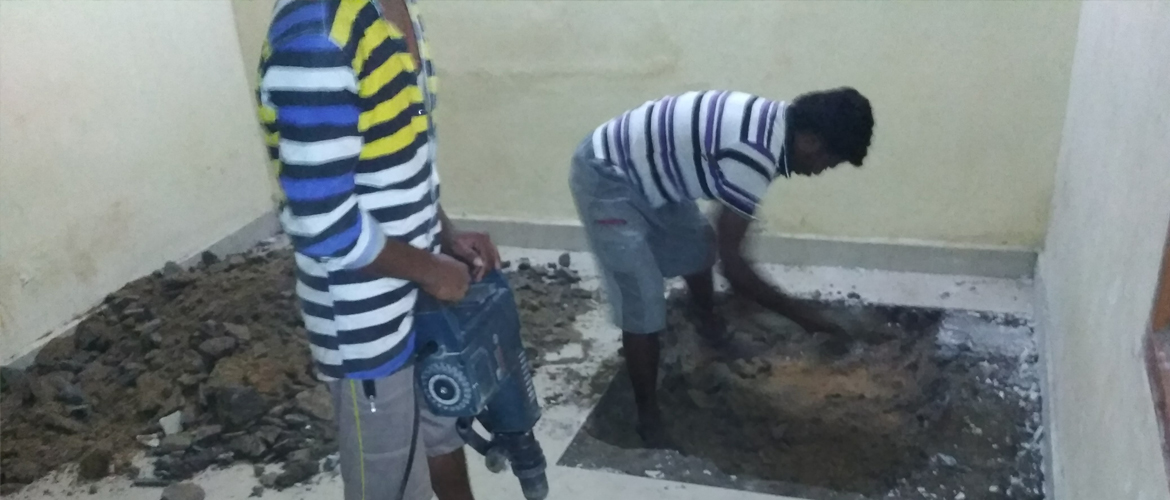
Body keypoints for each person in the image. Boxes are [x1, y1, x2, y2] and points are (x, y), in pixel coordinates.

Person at [256, 1, 499, 499]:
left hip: (418, 300)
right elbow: (322, 220)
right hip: (365, 328)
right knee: (390, 482)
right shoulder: (318, 34)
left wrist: (444, 234)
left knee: (441, 438)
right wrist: (431, 270)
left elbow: (399, 164)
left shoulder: (392, 9)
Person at [569, 88, 874, 447]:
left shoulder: (775, 127)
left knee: (698, 246)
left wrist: (759, 297)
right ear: (810, 141)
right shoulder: (756, 152)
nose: (822, 170)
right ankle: (647, 419)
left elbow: (727, 240)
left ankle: (712, 333)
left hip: (653, 175)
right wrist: (807, 318)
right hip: (606, 173)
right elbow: (733, 267)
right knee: (643, 300)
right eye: (830, 161)